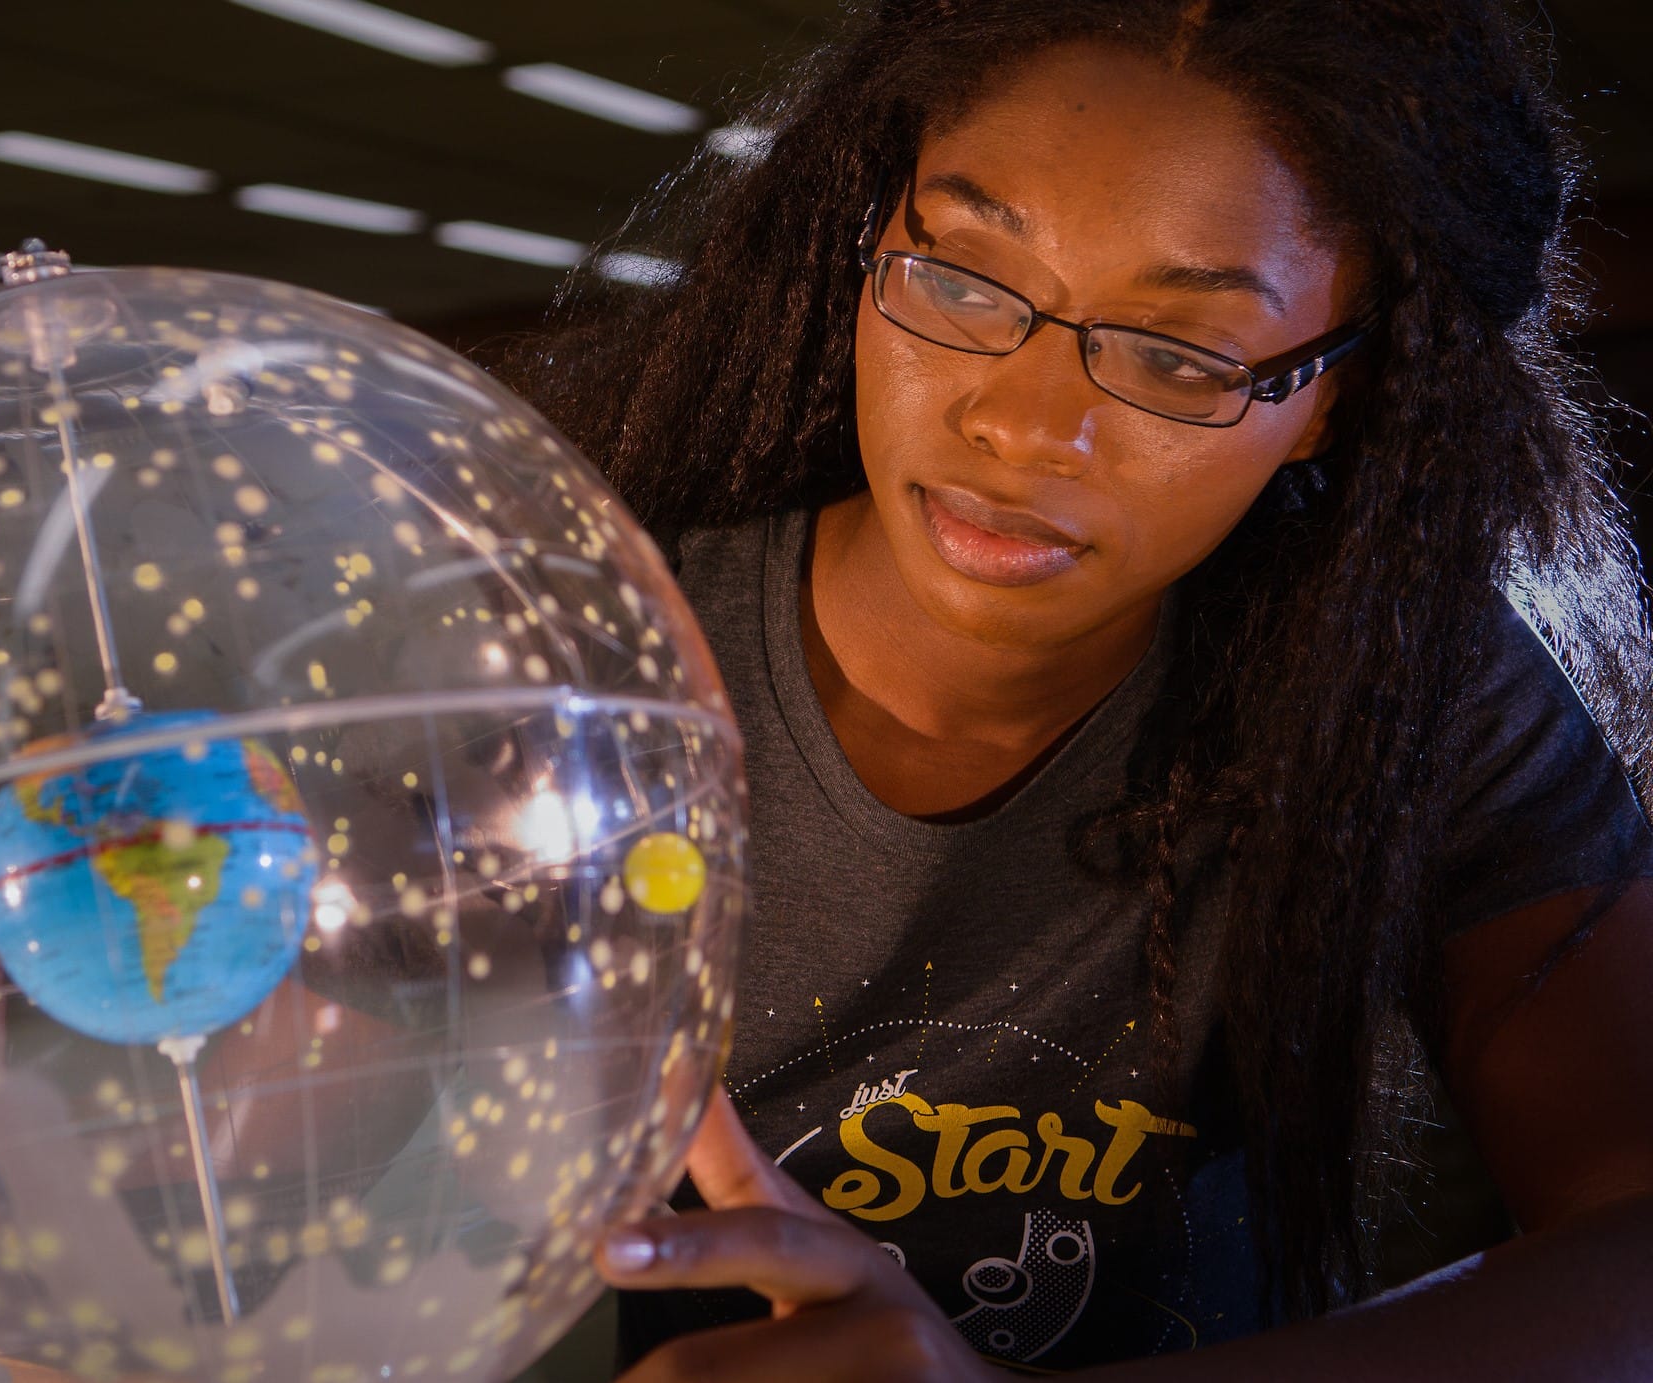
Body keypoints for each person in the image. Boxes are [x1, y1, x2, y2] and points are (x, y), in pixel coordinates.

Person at [506, 1, 1653, 1378]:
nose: (1024, 423)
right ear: (869, 242)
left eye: (1180, 356)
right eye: (967, 280)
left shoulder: (1403, 696)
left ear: (1338, 399)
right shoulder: (565, 657)